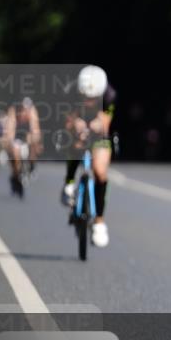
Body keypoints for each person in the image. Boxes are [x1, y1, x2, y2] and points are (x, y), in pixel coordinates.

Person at [61, 65, 116, 247]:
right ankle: (69, 181)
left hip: (98, 128)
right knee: (76, 142)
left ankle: (99, 222)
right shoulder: (71, 92)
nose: (88, 101)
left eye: (93, 98)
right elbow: (67, 120)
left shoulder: (109, 95)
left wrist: (96, 125)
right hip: (78, 123)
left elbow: (105, 123)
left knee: (100, 172)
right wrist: (75, 123)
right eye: (85, 97)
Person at [5, 97, 42, 195]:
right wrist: (10, 144)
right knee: (15, 153)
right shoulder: (13, 112)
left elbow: (36, 129)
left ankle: (32, 165)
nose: (24, 112)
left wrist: (33, 139)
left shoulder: (32, 112)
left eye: (26, 110)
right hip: (16, 138)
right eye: (22, 109)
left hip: (27, 138)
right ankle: (15, 175)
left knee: (34, 145)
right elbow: (10, 130)